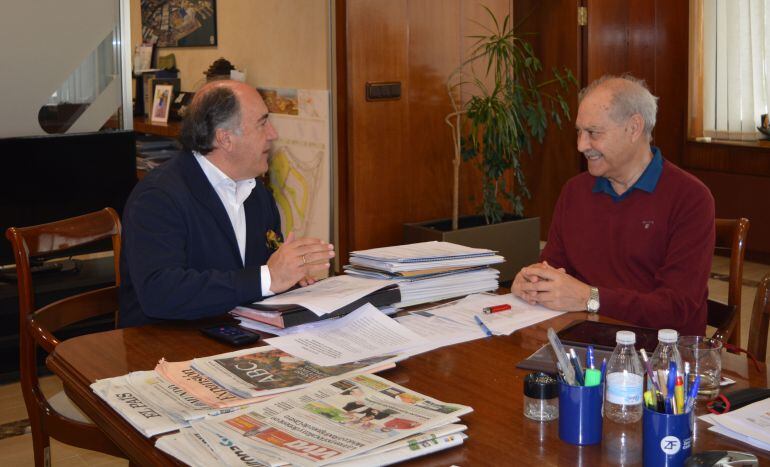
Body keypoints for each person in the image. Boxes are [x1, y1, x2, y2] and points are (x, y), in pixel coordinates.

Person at [119, 80, 334, 327]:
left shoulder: (257, 193)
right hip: (166, 346)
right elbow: (160, 293)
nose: (273, 134)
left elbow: (261, 270)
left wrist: (292, 276)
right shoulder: (158, 197)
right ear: (225, 139)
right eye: (263, 123)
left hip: (235, 333)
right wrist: (269, 277)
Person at [512, 74, 715, 335]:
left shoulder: (690, 198)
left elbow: (676, 308)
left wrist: (590, 298)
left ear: (634, 128)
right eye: (579, 132)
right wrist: (533, 282)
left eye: (593, 133)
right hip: (583, 341)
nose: (581, 145)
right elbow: (553, 268)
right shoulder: (575, 192)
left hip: (661, 356)